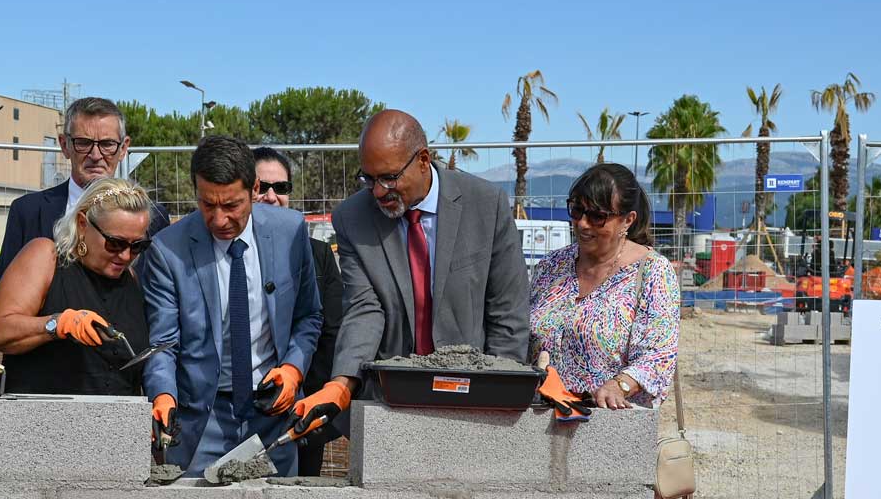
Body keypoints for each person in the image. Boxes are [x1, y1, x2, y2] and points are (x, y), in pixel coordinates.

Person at [289, 109, 528, 436]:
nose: (378, 191)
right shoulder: (353, 218)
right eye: (368, 179)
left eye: (389, 177)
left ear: (423, 160)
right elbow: (363, 309)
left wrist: (497, 399)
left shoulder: (487, 205)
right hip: (392, 399)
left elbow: (507, 312)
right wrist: (341, 383)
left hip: (473, 397)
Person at [141, 137, 323, 476]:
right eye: (207, 204)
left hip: (273, 412)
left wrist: (293, 369)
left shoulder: (290, 231)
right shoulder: (167, 250)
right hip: (201, 417)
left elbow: (308, 316)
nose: (219, 219)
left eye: (231, 205)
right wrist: (163, 395)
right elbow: (163, 343)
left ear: (254, 189)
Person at [528, 162, 679, 409]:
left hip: (605, 418)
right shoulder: (551, 265)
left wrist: (619, 386)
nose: (582, 223)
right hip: (539, 414)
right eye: (577, 211)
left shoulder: (652, 271)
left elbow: (658, 356)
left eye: (597, 216)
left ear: (628, 220)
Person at [0, 177, 155, 395]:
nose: (125, 255)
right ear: (83, 224)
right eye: (115, 243)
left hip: (112, 414)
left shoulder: (130, 277)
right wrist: (59, 324)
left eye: (138, 245)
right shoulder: (46, 257)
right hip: (42, 412)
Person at [247, 146, 344, 477]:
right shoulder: (229, 252)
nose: (272, 196)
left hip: (300, 411)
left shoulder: (318, 255)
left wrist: (307, 397)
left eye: (281, 187)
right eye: (262, 187)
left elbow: (329, 332)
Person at [0, 97, 169, 272]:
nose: (95, 155)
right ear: (64, 145)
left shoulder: (155, 218)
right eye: (84, 143)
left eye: (107, 144)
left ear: (123, 148)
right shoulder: (28, 212)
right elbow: (7, 284)